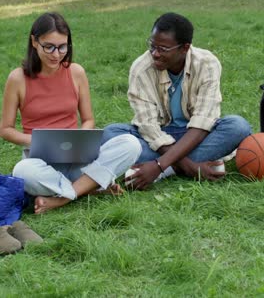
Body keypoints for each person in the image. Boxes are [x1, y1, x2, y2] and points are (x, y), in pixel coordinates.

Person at [0, 12, 141, 213]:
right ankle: (90, 186)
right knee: (22, 171)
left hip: (76, 156)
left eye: (62, 47)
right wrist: (38, 142)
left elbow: (88, 119)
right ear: (34, 42)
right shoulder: (17, 79)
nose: (56, 54)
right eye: (49, 46)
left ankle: (63, 197)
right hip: (40, 161)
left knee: (131, 144)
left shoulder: (76, 72)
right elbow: (5, 129)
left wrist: (82, 138)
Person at [102, 13, 251, 190]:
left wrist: (158, 166)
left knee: (238, 126)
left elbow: (203, 122)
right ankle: (187, 167)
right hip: (158, 137)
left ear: (184, 48)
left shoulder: (207, 63)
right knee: (111, 133)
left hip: (196, 135)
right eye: (152, 45)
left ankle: (164, 170)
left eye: (163, 49)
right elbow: (148, 126)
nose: (155, 54)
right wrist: (192, 168)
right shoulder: (141, 68)